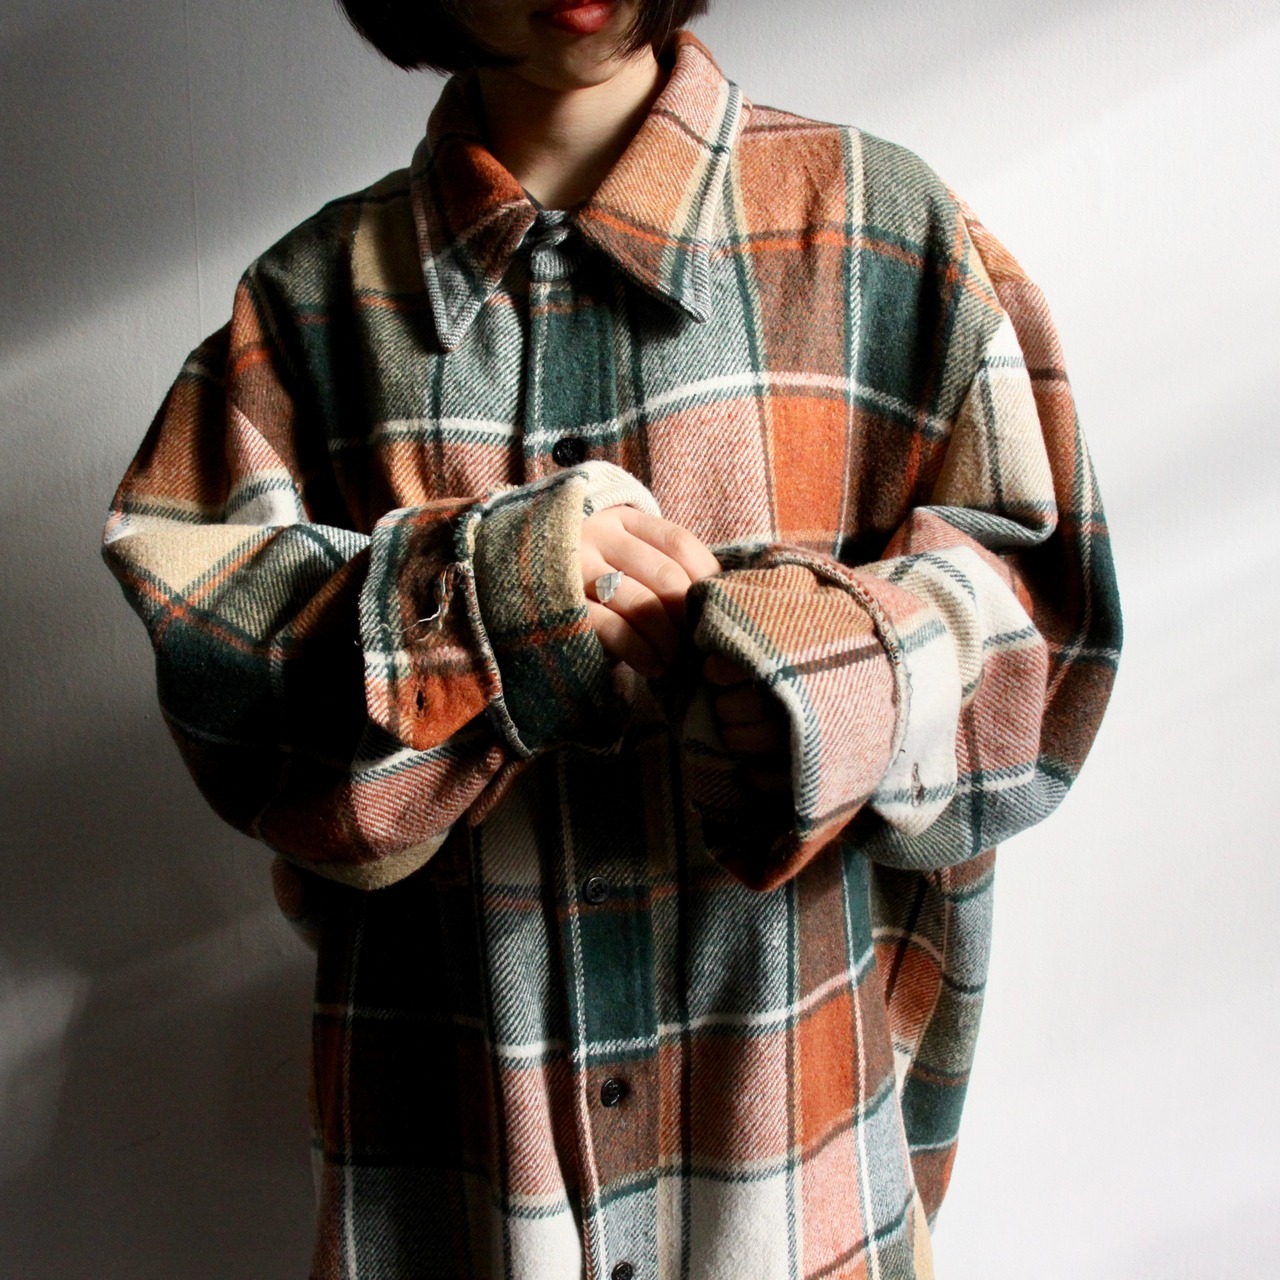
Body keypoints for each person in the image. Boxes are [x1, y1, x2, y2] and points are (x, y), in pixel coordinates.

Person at [102, 0, 1122, 1276]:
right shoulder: (312, 305)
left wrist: (816, 679)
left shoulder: (880, 233)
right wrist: (479, 605)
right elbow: (221, 678)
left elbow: (1038, 633)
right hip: (459, 1179)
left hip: (787, 1174)